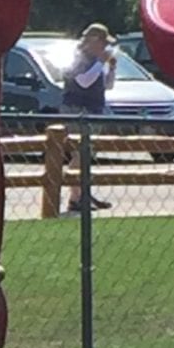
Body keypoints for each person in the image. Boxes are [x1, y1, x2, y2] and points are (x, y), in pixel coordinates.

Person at [63, 23, 116, 214]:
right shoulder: (79, 59)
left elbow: (107, 86)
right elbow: (82, 82)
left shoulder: (95, 61)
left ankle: (80, 195)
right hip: (77, 110)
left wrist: (111, 69)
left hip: (93, 110)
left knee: (86, 155)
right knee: (80, 155)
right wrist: (101, 62)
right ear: (93, 41)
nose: (104, 47)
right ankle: (77, 196)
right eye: (102, 42)